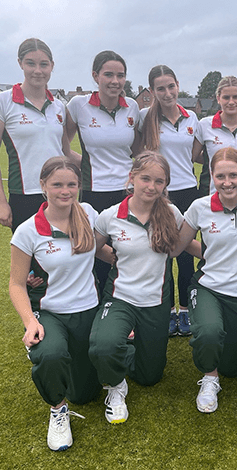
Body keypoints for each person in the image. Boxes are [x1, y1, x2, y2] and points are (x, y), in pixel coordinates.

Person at [9, 156, 112, 451]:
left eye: (71, 184)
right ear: (43, 186)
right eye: (57, 185)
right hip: (51, 313)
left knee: (85, 393)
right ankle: (58, 410)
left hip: (90, 308)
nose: (65, 191)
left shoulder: (89, 213)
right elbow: (16, 284)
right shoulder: (28, 231)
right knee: (51, 356)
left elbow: (101, 247)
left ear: (79, 186)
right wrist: (30, 322)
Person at [88, 151, 195, 424]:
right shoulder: (111, 215)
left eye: (159, 181)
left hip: (156, 302)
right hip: (120, 297)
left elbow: (185, 245)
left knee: (150, 377)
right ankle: (115, 386)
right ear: (131, 177)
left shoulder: (171, 213)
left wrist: (220, 253)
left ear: (165, 185)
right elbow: (92, 247)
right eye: (145, 178)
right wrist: (110, 256)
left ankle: (131, 348)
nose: (151, 186)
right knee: (103, 346)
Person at [172, 147, 237, 413]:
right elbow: (177, 247)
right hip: (208, 287)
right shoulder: (199, 207)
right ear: (212, 177)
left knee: (235, 369)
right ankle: (209, 378)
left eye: (233, 175)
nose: (227, 182)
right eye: (220, 176)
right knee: (209, 333)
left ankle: (222, 369)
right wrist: (208, 253)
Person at [66, 50, 141, 292]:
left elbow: (138, 152)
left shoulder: (132, 106)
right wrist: (84, 165)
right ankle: (98, 311)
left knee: (128, 252)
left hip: (127, 194)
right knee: (95, 254)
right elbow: (63, 147)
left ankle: (126, 310)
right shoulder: (78, 105)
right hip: (93, 192)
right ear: (95, 76)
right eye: (108, 74)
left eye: (120, 75)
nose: (115, 81)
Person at [138, 65, 203, 337]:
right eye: (160, 89)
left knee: (187, 255)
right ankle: (164, 310)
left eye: (171, 86)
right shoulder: (144, 118)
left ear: (178, 85)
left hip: (188, 192)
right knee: (160, 254)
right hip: (159, 195)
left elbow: (196, 155)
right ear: (152, 91)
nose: (167, 93)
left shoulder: (192, 119)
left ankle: (185, 310)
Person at [0, 38, 73, 232]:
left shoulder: (59, 106)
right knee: (27, 260)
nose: (37, 70)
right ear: (20, 63)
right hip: (24, 195)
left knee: (61, 256)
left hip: (59, 193)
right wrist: (1, 203)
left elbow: (66, 152)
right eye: (30, 63)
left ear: (52, 66)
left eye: (44, 64)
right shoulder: (4, 101)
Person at [196, 76, 237, 195]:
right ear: (218, 99)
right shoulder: (204, 125)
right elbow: (192, 157)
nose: (231, 102)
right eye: (226, 97)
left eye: (236, 97)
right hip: (212, 194)